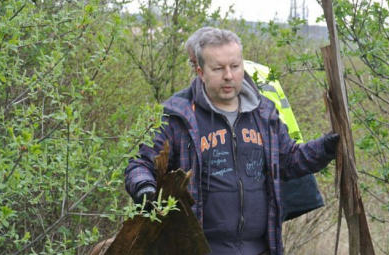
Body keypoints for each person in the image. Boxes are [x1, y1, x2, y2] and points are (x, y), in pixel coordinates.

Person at [125, 28, 339, 255]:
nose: (228, 75)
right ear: (200, 71)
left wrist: (327, 147)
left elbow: (290, 160)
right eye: (218, 68)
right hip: (199, 249)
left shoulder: (264, 113)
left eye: (235, 66)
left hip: (261, 249)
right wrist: (145, 190)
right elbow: (140, 164)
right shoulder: (177, 117)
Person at [185, 27, 324, 221]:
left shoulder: (232, 82)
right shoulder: (257, 70)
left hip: (275, 166)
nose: (194, 69)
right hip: (293, 162)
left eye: (194, 61)